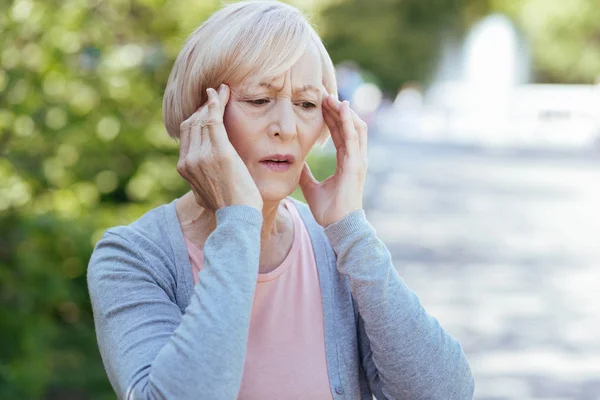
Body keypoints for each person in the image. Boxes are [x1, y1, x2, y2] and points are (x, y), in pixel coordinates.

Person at [87, 1, 474, 399]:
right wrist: (238, 221)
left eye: (306, 105)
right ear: (199, 115)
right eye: (258, 100)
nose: (286, 128)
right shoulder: (131, 258)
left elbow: (444, 392)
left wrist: (352, 231)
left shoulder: (334, 246)